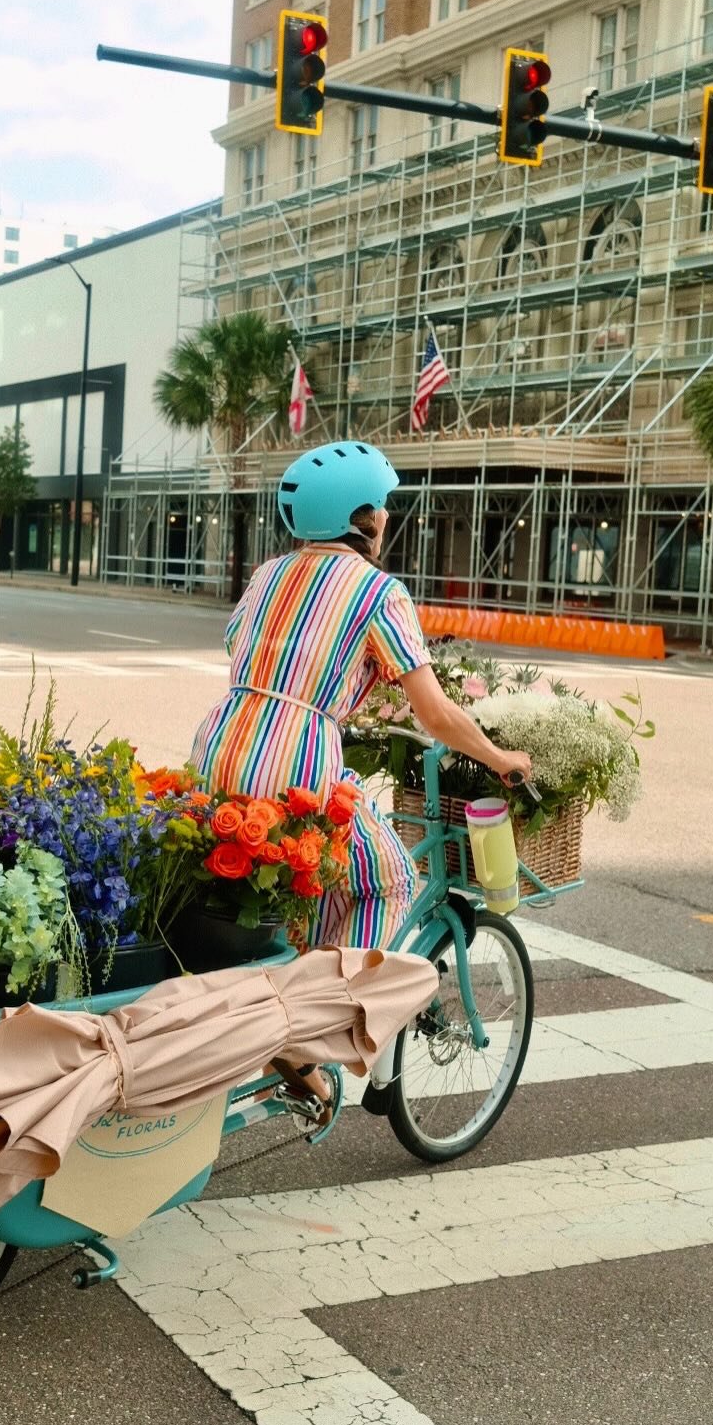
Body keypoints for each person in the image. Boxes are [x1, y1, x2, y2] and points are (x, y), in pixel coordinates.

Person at [189, 440, 532, 1120]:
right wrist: (500, 758)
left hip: (223, 738)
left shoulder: (268, 573)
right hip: (298, 753)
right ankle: (306, 1035)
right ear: (364, 517)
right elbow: (433, 711)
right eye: (384, 506)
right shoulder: (380, 590)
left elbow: (247, 648)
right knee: (387, 879)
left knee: (299, 882)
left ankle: (283, 1005)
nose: (387, 518)